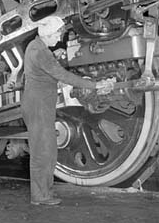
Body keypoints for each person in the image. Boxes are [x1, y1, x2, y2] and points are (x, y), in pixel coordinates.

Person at [21, 15, 113, 206]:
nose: (59, 38)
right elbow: (60, 74)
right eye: (58, 34)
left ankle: (42, 194)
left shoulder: (36, 46)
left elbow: (50, 72)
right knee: (43, 152)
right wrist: (94, 85)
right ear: (48, 34)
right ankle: (40, 196)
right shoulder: (40, 52)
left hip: (40, 104)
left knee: (46, 150)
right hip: (38, 106)